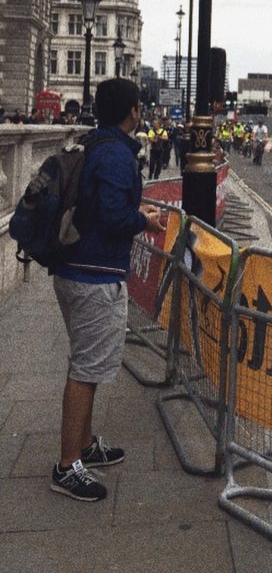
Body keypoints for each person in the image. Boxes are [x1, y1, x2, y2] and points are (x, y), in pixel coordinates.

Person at [50, 78, 164, 502]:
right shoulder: (117, 153)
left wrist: (133, 210)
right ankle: (67, 466)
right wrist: (143, 220)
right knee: (85, 370)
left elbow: (101, 206)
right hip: (93, 275)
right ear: (133, 110)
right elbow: (115, 218)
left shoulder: (97, 143)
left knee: (89, 365)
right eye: (139, 105)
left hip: (78, 268)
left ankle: (83, 446)